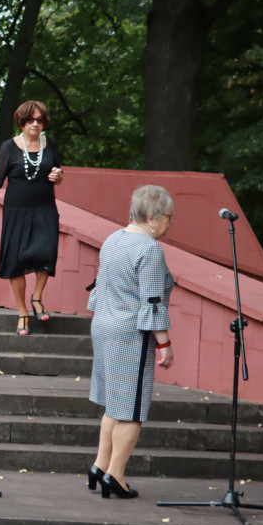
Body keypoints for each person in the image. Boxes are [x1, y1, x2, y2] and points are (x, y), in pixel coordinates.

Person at [87, 185, 176, 499]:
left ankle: (100, 466)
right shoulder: (149, 248)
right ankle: (117, 475)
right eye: (167, 217)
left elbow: (100, 287)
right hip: (130, 333)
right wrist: (164, 344)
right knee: (133, 409)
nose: (169, 224)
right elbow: (151, 300)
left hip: (104, 324)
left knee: (115, 402)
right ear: (151, 217)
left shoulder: (113, 239)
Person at [0, 101, 64, 336]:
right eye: (30, 120)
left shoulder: (50, 144)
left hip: (44, 208)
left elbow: (58, 173)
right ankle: (23, 312)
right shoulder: (9, 147)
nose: (35, 124)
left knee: (46, 252)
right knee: (16, 261)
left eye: (40, 120)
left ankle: (37, 297)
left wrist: (58, 176)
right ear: (22, 122)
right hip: (16, 211)